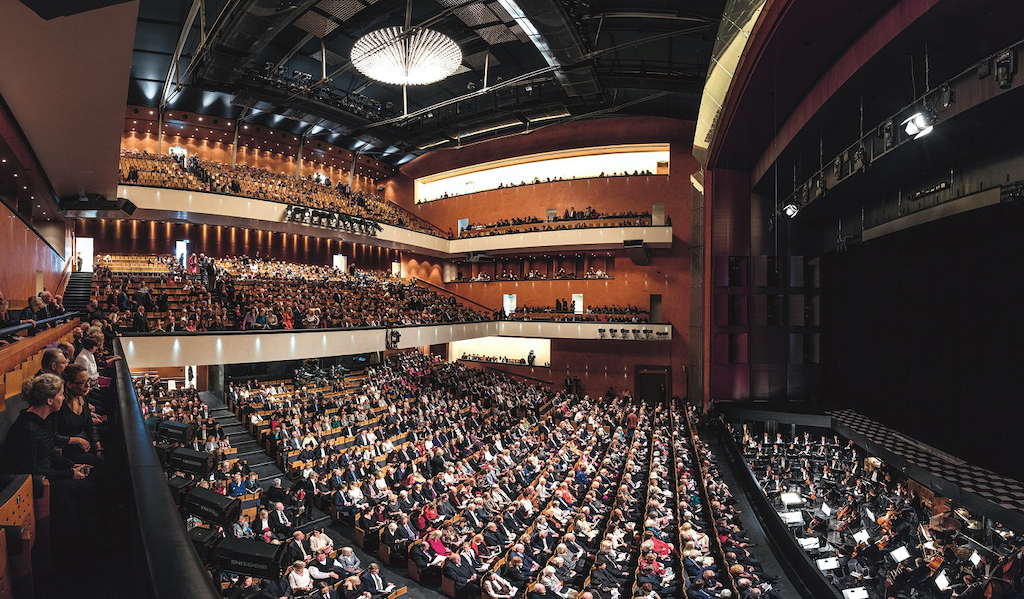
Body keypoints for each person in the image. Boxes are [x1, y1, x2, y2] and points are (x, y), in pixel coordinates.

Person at [1, 374, 96, 542]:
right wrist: (68, 473)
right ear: (50, 401)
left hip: (50, 477)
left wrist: (72, 466)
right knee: (87, 497)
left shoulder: (42, 421)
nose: (63, 397)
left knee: (92, 485)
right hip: (40, 486)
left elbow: (49, 452)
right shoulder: (27, 429)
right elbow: (31, 472)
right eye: (60, 394)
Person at [58, 364, 103, 465]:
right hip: (67, 450)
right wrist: (77, 440)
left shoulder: (82, 397)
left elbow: (89, 423)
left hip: (83, 443)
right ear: (69, 385)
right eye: (83, 383)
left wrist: (97, 445)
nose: (88, 386)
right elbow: (54, 436)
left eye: (88, 381)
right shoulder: (60, 405)